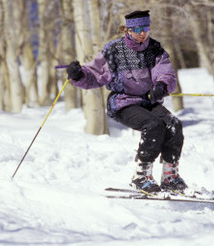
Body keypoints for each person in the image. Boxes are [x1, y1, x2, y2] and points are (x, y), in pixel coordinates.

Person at [66, 10, 186, 193]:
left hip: (148, 101)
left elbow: (165, 72)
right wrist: (78, 74)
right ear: (128, 30)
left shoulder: (155, 49)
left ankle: (170, 176)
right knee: (153, 125)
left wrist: (161, 86)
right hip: (123, 103)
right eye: (137, 29)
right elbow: (94, 74)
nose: (142, 33)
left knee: (174, 125)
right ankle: (141, 176)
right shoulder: (113, 50)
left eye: (145, 28)